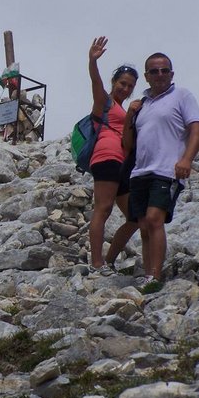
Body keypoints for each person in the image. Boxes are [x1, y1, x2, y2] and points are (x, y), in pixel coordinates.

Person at [123, 52, 199, 286]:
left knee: (154, 219)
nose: (160, 75)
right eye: (154, 71)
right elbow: (128, 144)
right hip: (140, 172)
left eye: (164, 70)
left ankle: (155, 276)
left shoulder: (182, 96)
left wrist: (187, 160)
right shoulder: (142, 105)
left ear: (171, 73)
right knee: (144, 226)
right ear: (146, 76)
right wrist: (129, 115)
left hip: (167, 171)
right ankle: (149, 276)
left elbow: (197, 130)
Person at [87, 37, 140, 275]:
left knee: (135, 216)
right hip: (106, 156)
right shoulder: (105, 101)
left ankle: (108, 261)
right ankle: (97, 264)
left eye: (130, 86)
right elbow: (95, 82)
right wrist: (92, 61)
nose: (125, 89)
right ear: (114, 82)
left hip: (123, 163)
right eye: (122, 83)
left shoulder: (125, 108)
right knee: (104, 208)